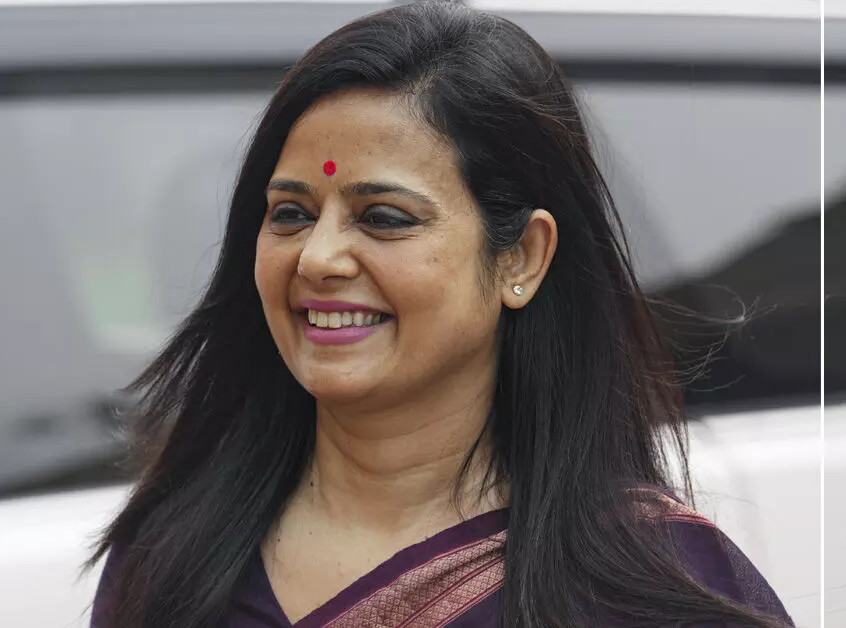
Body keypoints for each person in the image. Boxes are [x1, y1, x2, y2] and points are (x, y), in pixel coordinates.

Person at [89, 2, 793, 626]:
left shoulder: (653, 588)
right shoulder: (175, 555)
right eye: (292, 213)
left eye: (384, 217)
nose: (318, 258)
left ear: (521, 258)